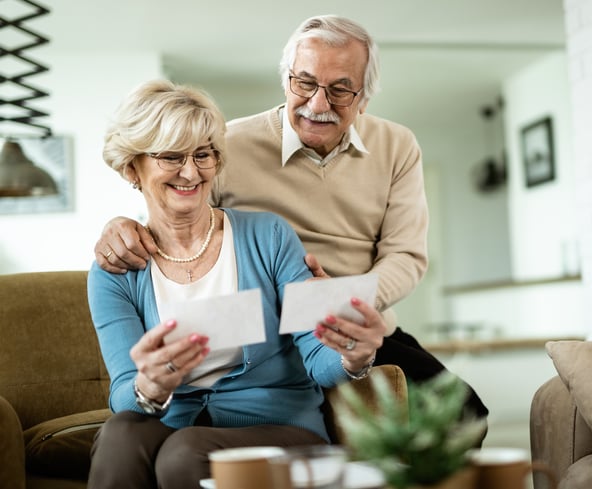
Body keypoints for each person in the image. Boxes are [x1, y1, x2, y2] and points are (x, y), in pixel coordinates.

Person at [93, 14, 489, 424]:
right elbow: (181, 213)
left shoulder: (397, 146)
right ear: (285, 80)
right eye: (305, 83)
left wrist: (336, 301)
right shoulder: (229, 144)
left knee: (463, 415)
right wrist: (122, 225)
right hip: (262, 335)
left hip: (349, 323)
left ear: (364, 97)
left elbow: (405, 256)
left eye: (340, 90)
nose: (318, 104)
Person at [87, 79, 387, 489]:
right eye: (172, 157)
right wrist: (150, 386)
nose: (191, 172)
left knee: (183, 452)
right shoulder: (115, 271)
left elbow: (319, 359)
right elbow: (124, 394)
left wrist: (354, 354)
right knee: (121, 432)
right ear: (131, 169)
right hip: (175, 424)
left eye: (203, 155)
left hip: (279, 427)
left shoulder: (268, 236)